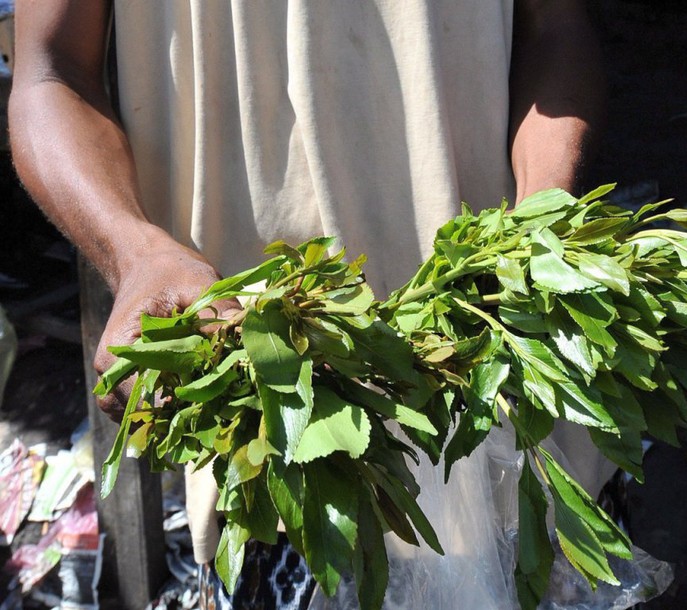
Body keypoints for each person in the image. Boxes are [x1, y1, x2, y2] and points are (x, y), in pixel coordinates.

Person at [10, 1, 616, 608]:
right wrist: (134, 253)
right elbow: (51, 72)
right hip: (275, 438)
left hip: (509, 379)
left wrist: (540, 222)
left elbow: (556, 26)